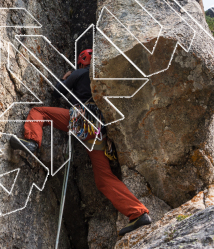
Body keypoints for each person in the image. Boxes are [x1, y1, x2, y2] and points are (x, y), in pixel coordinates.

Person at [10, 49, 151, 236]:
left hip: (82, 120)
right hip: (98, 130)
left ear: (83, 61)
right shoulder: (100, 80)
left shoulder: (82, 72)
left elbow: (57, 92)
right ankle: (138, 212)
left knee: (39, 112)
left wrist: (65, 77)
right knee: (103, 179)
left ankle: (32, 142)